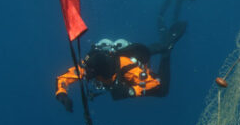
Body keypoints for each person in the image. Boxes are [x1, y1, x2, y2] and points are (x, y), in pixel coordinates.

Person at [55, 21, 187, 111]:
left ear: (101, 70)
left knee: (162, 91)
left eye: (91, 71)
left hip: (131, 73)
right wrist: (62, 95)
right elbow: (63, 78)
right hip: (117, 76)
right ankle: (159, 46)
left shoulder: (125, 65)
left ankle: (166, 52)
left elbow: (153, 83)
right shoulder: (88, 67)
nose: (87, 74)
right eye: (88, 70)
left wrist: (131, 91)